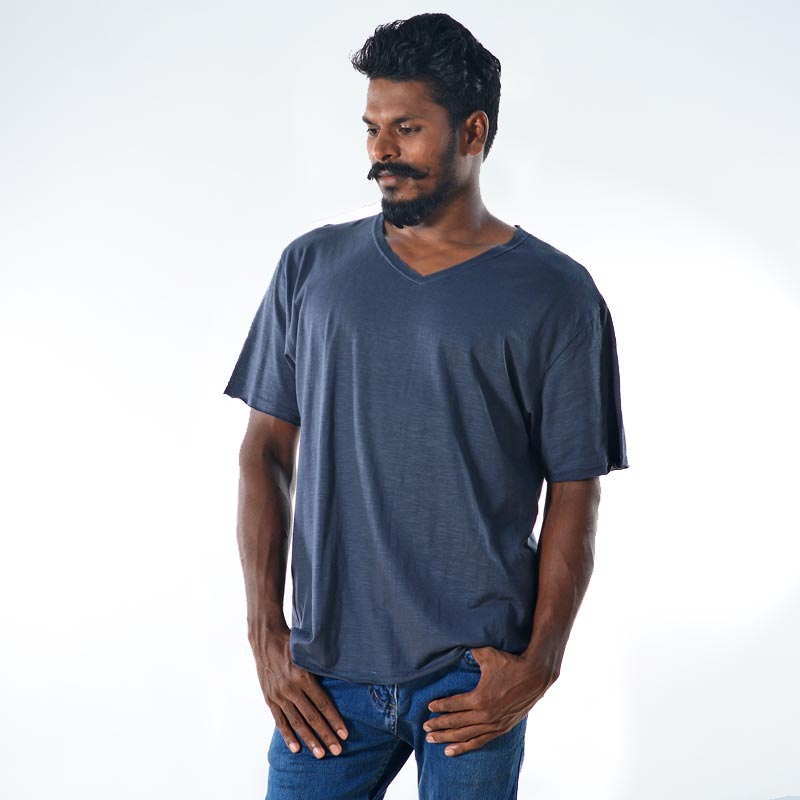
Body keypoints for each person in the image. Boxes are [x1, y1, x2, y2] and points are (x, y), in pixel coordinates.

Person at [223, 12, 629, 800]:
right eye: (372, 127)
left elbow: (575, 486)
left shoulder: (556, 295)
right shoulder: (311, 268)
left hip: (474, 679)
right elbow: (265, 452)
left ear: (473, 131)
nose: (381, 150)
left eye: (406, 128)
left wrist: (541, 662)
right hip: (326, 677)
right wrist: (267, 636)